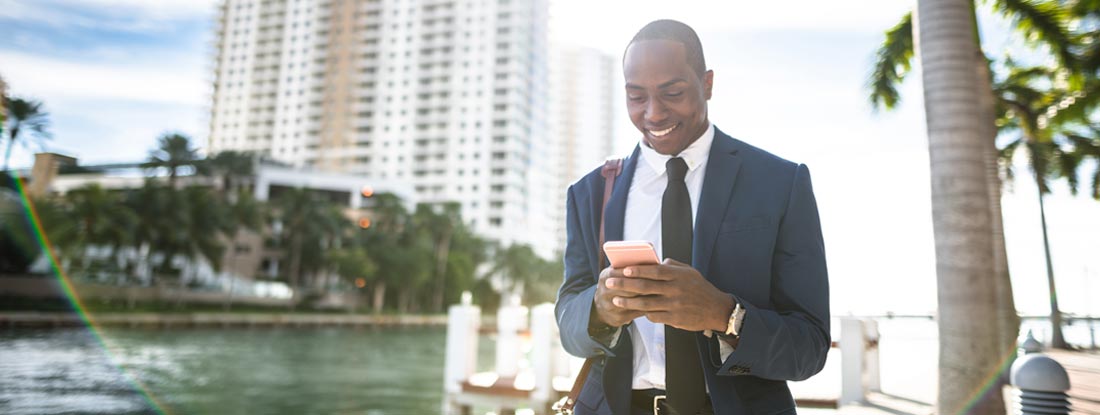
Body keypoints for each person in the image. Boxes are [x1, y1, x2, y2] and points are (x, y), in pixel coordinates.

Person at [556, 19, 830, 415]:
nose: (653, 113)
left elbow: (810, 347)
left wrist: (725, 315)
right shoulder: (591, 192)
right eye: (636, 96)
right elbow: (567, 322)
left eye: (673, 92)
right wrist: (599, 308)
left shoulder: (781, 183)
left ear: (707, 83)